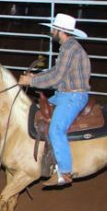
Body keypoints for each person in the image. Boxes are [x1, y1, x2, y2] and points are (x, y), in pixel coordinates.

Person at [18, 13, 91, 188]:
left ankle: (65, 172)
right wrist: (37, 76)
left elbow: (57, 78)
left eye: (53, 28)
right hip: (66, 93)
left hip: (73, 95)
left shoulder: (69, 49)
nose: (51, 31)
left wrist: (32, 81)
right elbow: (55, 71)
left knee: (56, 130)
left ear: (60, 31)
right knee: (40, 114)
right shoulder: (70, 46)